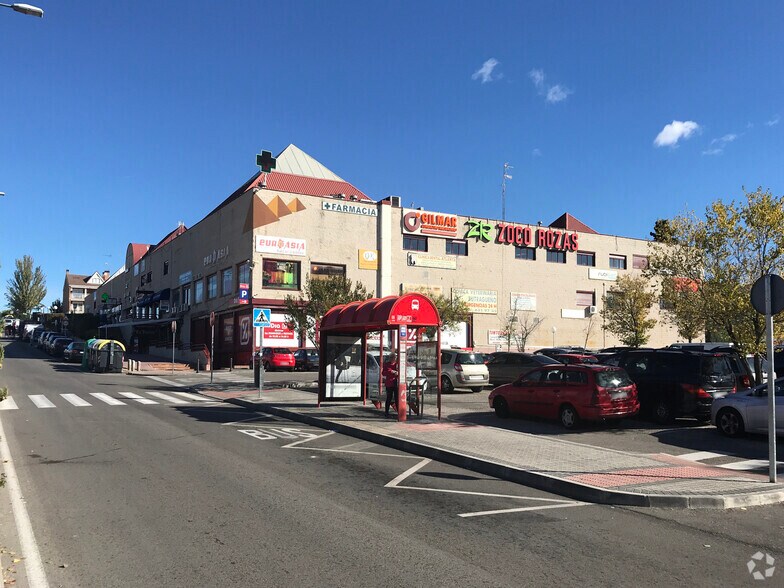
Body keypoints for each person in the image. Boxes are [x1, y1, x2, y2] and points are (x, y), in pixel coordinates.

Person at [383, 353, 399, 418]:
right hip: (389, 383)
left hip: (396, 383)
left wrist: (396, 372)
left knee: (397, 398)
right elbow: (383, 373)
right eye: (392, 358)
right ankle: (386, 412)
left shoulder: (397, 365)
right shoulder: (386, 365)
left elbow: (400, 372)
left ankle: (399, 412)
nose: (393, 359)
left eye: (394, 358)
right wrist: (391, 372)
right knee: (389, 398)